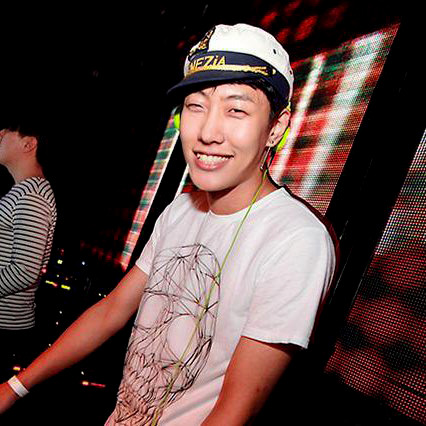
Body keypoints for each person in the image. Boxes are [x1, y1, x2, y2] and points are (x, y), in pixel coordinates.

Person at [0, 24, 336, 425]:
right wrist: (14, 387)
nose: (208, 133)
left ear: (276, 128)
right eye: (196, 106)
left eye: (236, 110)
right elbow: (112, 311)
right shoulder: (180, 209)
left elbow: (234, 412)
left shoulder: (297, 240)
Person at [0, 117, 57, 382]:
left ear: (29, 144)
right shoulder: (25, 191)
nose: (0, 133)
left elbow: (24, 271)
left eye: (7, 131)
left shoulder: (31, 196)